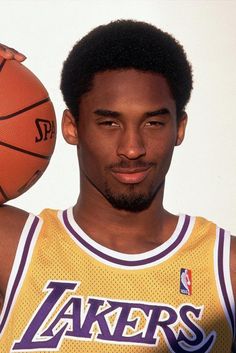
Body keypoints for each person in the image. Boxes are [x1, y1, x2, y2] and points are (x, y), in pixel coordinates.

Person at [0, 20, 235, 352]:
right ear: (72, 127)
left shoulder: (225, 269)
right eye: (109, 123)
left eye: (153, 123)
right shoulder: (12, 250)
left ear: (179, 128)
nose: (132, 148)